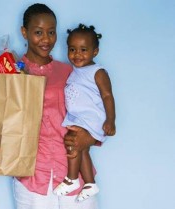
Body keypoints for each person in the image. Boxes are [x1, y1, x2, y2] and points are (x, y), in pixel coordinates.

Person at [0, 4, 99, 209]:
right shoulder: (7, 72)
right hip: (31, 179)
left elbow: (95, 110)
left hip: (76, 176)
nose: (46, 39)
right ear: (24, 33)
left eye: (51, 32)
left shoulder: (71, 73)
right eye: (38, 32)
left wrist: (89, 137)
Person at [53, 24, 116, 202]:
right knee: (82, 150)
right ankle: (89, 183)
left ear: (95, 51)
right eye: (72, 49)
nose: (77, 54)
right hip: (79, 117)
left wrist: (111, 120)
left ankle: (71, 179)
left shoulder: (98, 72)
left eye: (83, 50)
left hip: (90, 118)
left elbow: (107, 96)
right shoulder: (75, 71)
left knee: (73, 142)